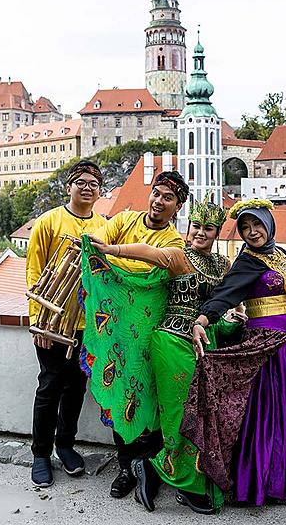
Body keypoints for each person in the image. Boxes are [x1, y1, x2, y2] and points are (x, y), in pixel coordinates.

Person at [87, 197, 245, 514]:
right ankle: (179, 480)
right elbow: (148, 253)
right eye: (196, 226)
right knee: (179, 414)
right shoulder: (178, 256)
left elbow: (232, 298)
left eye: (208, 228)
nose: (201, 233)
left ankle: (160, 468)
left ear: (217, 232)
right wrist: (112, 250)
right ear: (188, 227)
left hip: (205, 345)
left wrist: (237, 315)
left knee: (203, 413)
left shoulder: (222, 265)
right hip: (172, 342)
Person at [183, 199, 286, 506]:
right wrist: (202, 319)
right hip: (265, 344)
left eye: (256, 224)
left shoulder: (278, 253)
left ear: (269, 223)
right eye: (245, 227)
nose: (252, 232)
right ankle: (266, 484)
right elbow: (225, 295)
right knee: (269, 414)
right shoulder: (248, 261)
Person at [84, 170, 189, 499]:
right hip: (116, 328)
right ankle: (127, 467)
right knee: (118, 389)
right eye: (156, 193)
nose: (159, 201)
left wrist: (114, 252)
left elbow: (152, 259)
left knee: (149, 395)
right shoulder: (125, 219)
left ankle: (149, 466)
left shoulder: (174, 242)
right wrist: (96, 248)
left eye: (168, 197)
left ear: (178, 206)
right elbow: (99, 242)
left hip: (149, 331)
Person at [26, 160, 106, 487]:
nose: (87, 188)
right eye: (81, 182)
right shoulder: (48, 222)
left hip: (87, 327)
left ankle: (65, 445)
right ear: (69, 186)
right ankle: (41, 454)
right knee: (50, 387)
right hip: (53, 323)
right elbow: (33, 273)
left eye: (93, 184)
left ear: (100, 191)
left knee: (76, 387)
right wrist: (38, 322)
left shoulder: (105, 225)